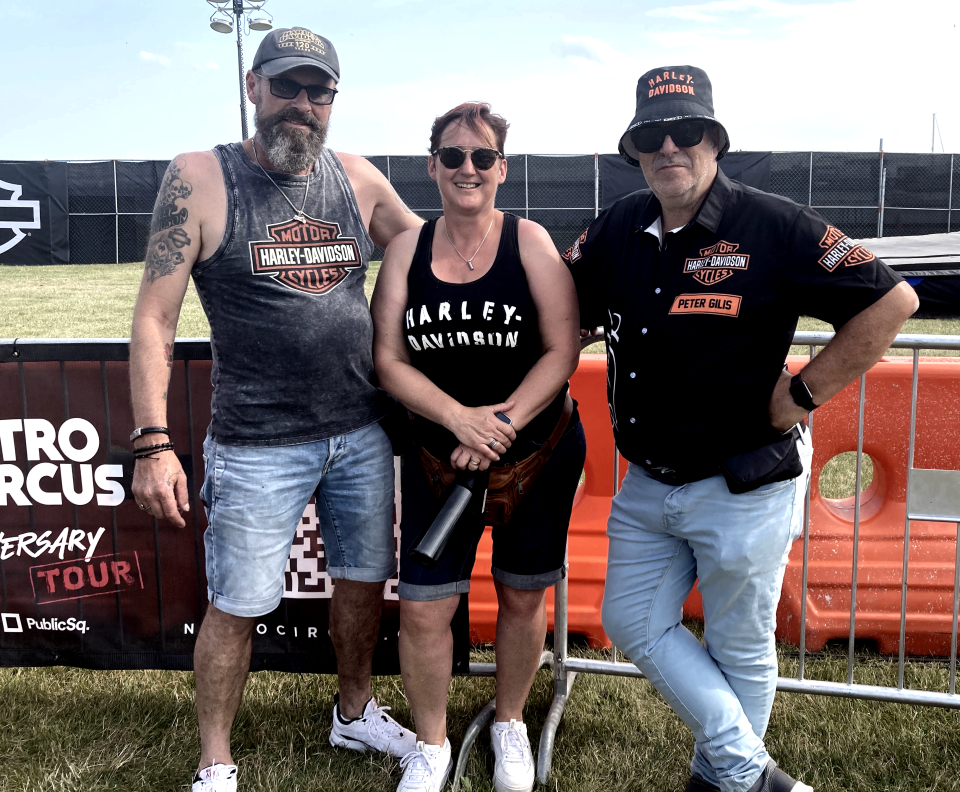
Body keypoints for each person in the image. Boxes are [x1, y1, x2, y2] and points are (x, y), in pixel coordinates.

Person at [562, 66, 918, 792]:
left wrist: (805, 392)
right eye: (651, 136)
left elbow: (891, 301)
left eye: (686, 132)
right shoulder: (616, 226)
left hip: (743, 480)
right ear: (633, 150)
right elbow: (567, 309)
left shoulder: (775, 223)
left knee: (740, 646)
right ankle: (752, 774)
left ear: (715, 141)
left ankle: (722, 777)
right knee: (631, 622)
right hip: (646, 481)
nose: (669, 147)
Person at [129, 26, 424, 792]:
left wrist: (547, 276)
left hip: (360, 431)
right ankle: (216, 763)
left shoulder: (356, 179)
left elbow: (436, 256)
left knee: (361, 582)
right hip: (256, 441)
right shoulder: (200, 176)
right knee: (237, 605)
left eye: (317, 92)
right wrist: (152, 441)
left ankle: (354, 713)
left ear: (333, 102)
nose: (301, 105)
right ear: (253, 87)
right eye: (286, 87)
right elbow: (155, 318)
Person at [371, 102, 584, 792]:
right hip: (439, 458)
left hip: (536, 452)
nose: (468, 168)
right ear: (432, 166)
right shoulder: (407, 248)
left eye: (482, 157)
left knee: (523, 596)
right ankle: (430, 745)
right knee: (426, 604)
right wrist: (459, 419)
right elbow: (389, 360)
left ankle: (510, 722)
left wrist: (499, 425)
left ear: (501, 168)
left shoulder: (529, 242)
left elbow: (562, 348)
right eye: (454, 156)